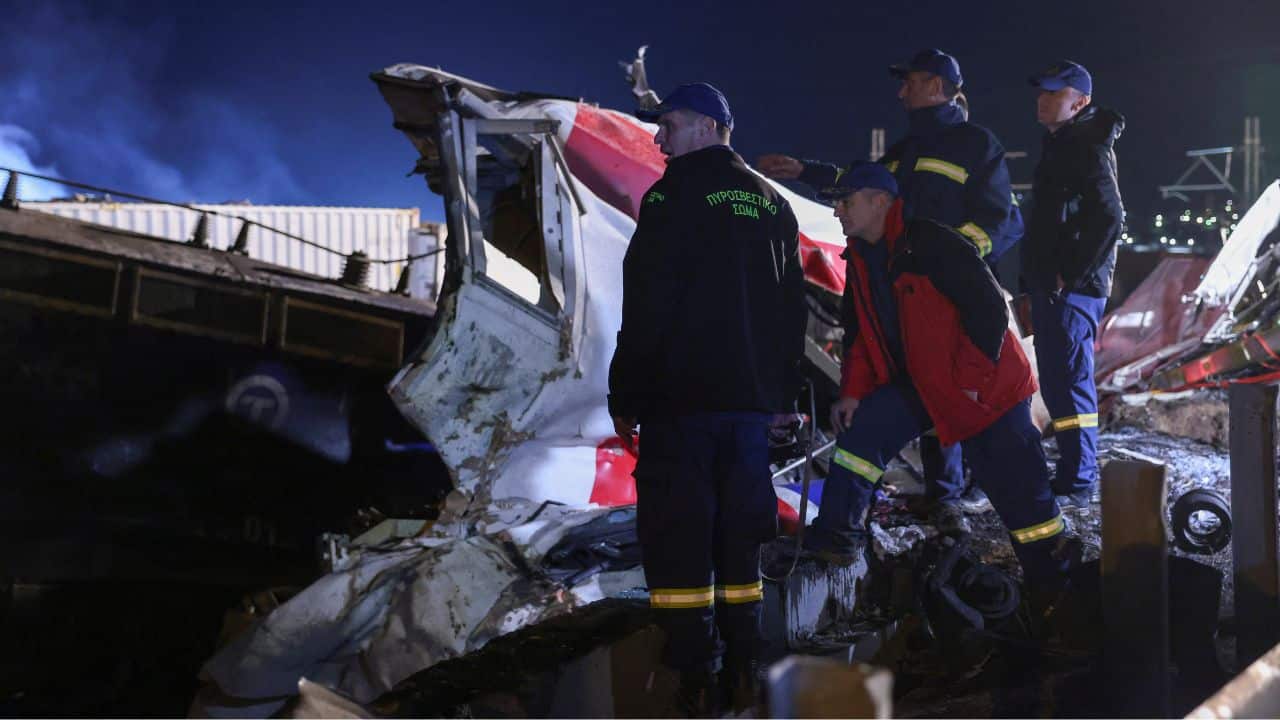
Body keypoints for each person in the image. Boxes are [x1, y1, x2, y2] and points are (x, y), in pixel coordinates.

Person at [757, 49, 1021, 536]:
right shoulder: (902, 153)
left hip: (950, 297)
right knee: (913, 382)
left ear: (939, 86)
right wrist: (806, 171)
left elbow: (1003, 221)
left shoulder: (976, 145)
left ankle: (951, 498)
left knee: (951, 384)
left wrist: (952, 261)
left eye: (911, 82)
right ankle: (916, 499)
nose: (902, 92)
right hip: (900, 293)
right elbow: (863, 185)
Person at [608, 82, 806, 715]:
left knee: (679, 532)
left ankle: (691, 668)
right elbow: (790, 311)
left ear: (703, 125)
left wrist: (627, 390)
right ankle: (746, 657)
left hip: (681, 402)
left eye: (666, 125)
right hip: (749, 406)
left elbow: (646, 306)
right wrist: (780, 396)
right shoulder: (772, 203)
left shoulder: (670, 196)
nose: (658, 138)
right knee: (740, 532)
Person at [804, 161, 1068, 602]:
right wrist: (851, 392)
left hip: (985, 388)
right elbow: (860, 339)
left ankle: (1054, 583)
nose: (838, 213)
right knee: (861, 436)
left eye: (846, 202)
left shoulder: (930, 242)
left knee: (1019, 492)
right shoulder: (862, 260)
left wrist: (968, 381)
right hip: (921, 385)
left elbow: (987, 309)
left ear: (880, 201)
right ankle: (836, 537)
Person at [1022, 60, 1125, 509]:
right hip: (1054, 285)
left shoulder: (1087, 147)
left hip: (1073, 290)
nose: (1042, 100)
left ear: (1078, 102)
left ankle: (1079, 479)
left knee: (1072, 381)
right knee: (1059, 384)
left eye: (1053, 93)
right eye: (1041, 92)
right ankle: (1070, 472)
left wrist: (1073, 275)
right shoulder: (1063, 143)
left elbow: (1111, 215)